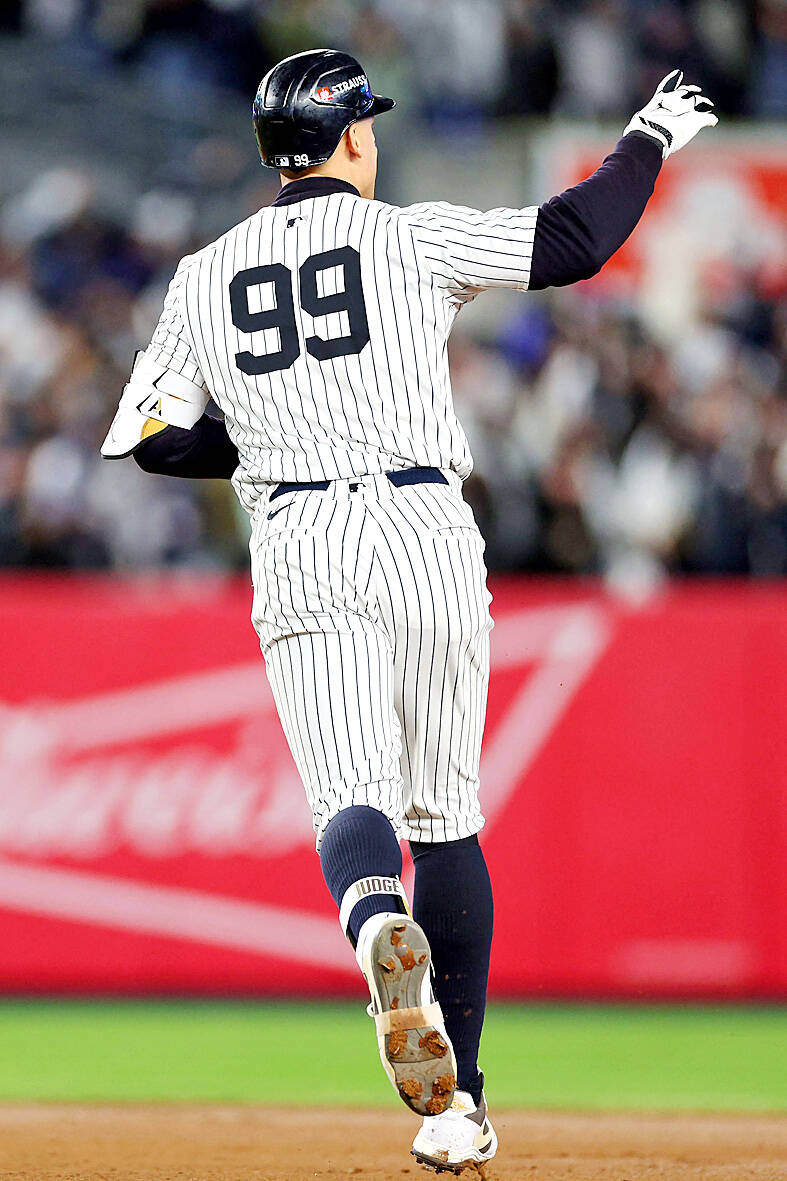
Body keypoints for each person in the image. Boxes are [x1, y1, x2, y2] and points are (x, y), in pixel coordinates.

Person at [101, 50, 716, 1173]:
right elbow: (574, 241)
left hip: (302, 532)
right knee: (447, 817)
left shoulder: (202, 273)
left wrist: (274, 437)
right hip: (425, 523)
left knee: (352, 800)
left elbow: (152, 439)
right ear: (350, 137)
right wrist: (647, 139)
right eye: (367, 126)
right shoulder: (408, 236)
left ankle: (374, 920)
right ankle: (457, 1106)